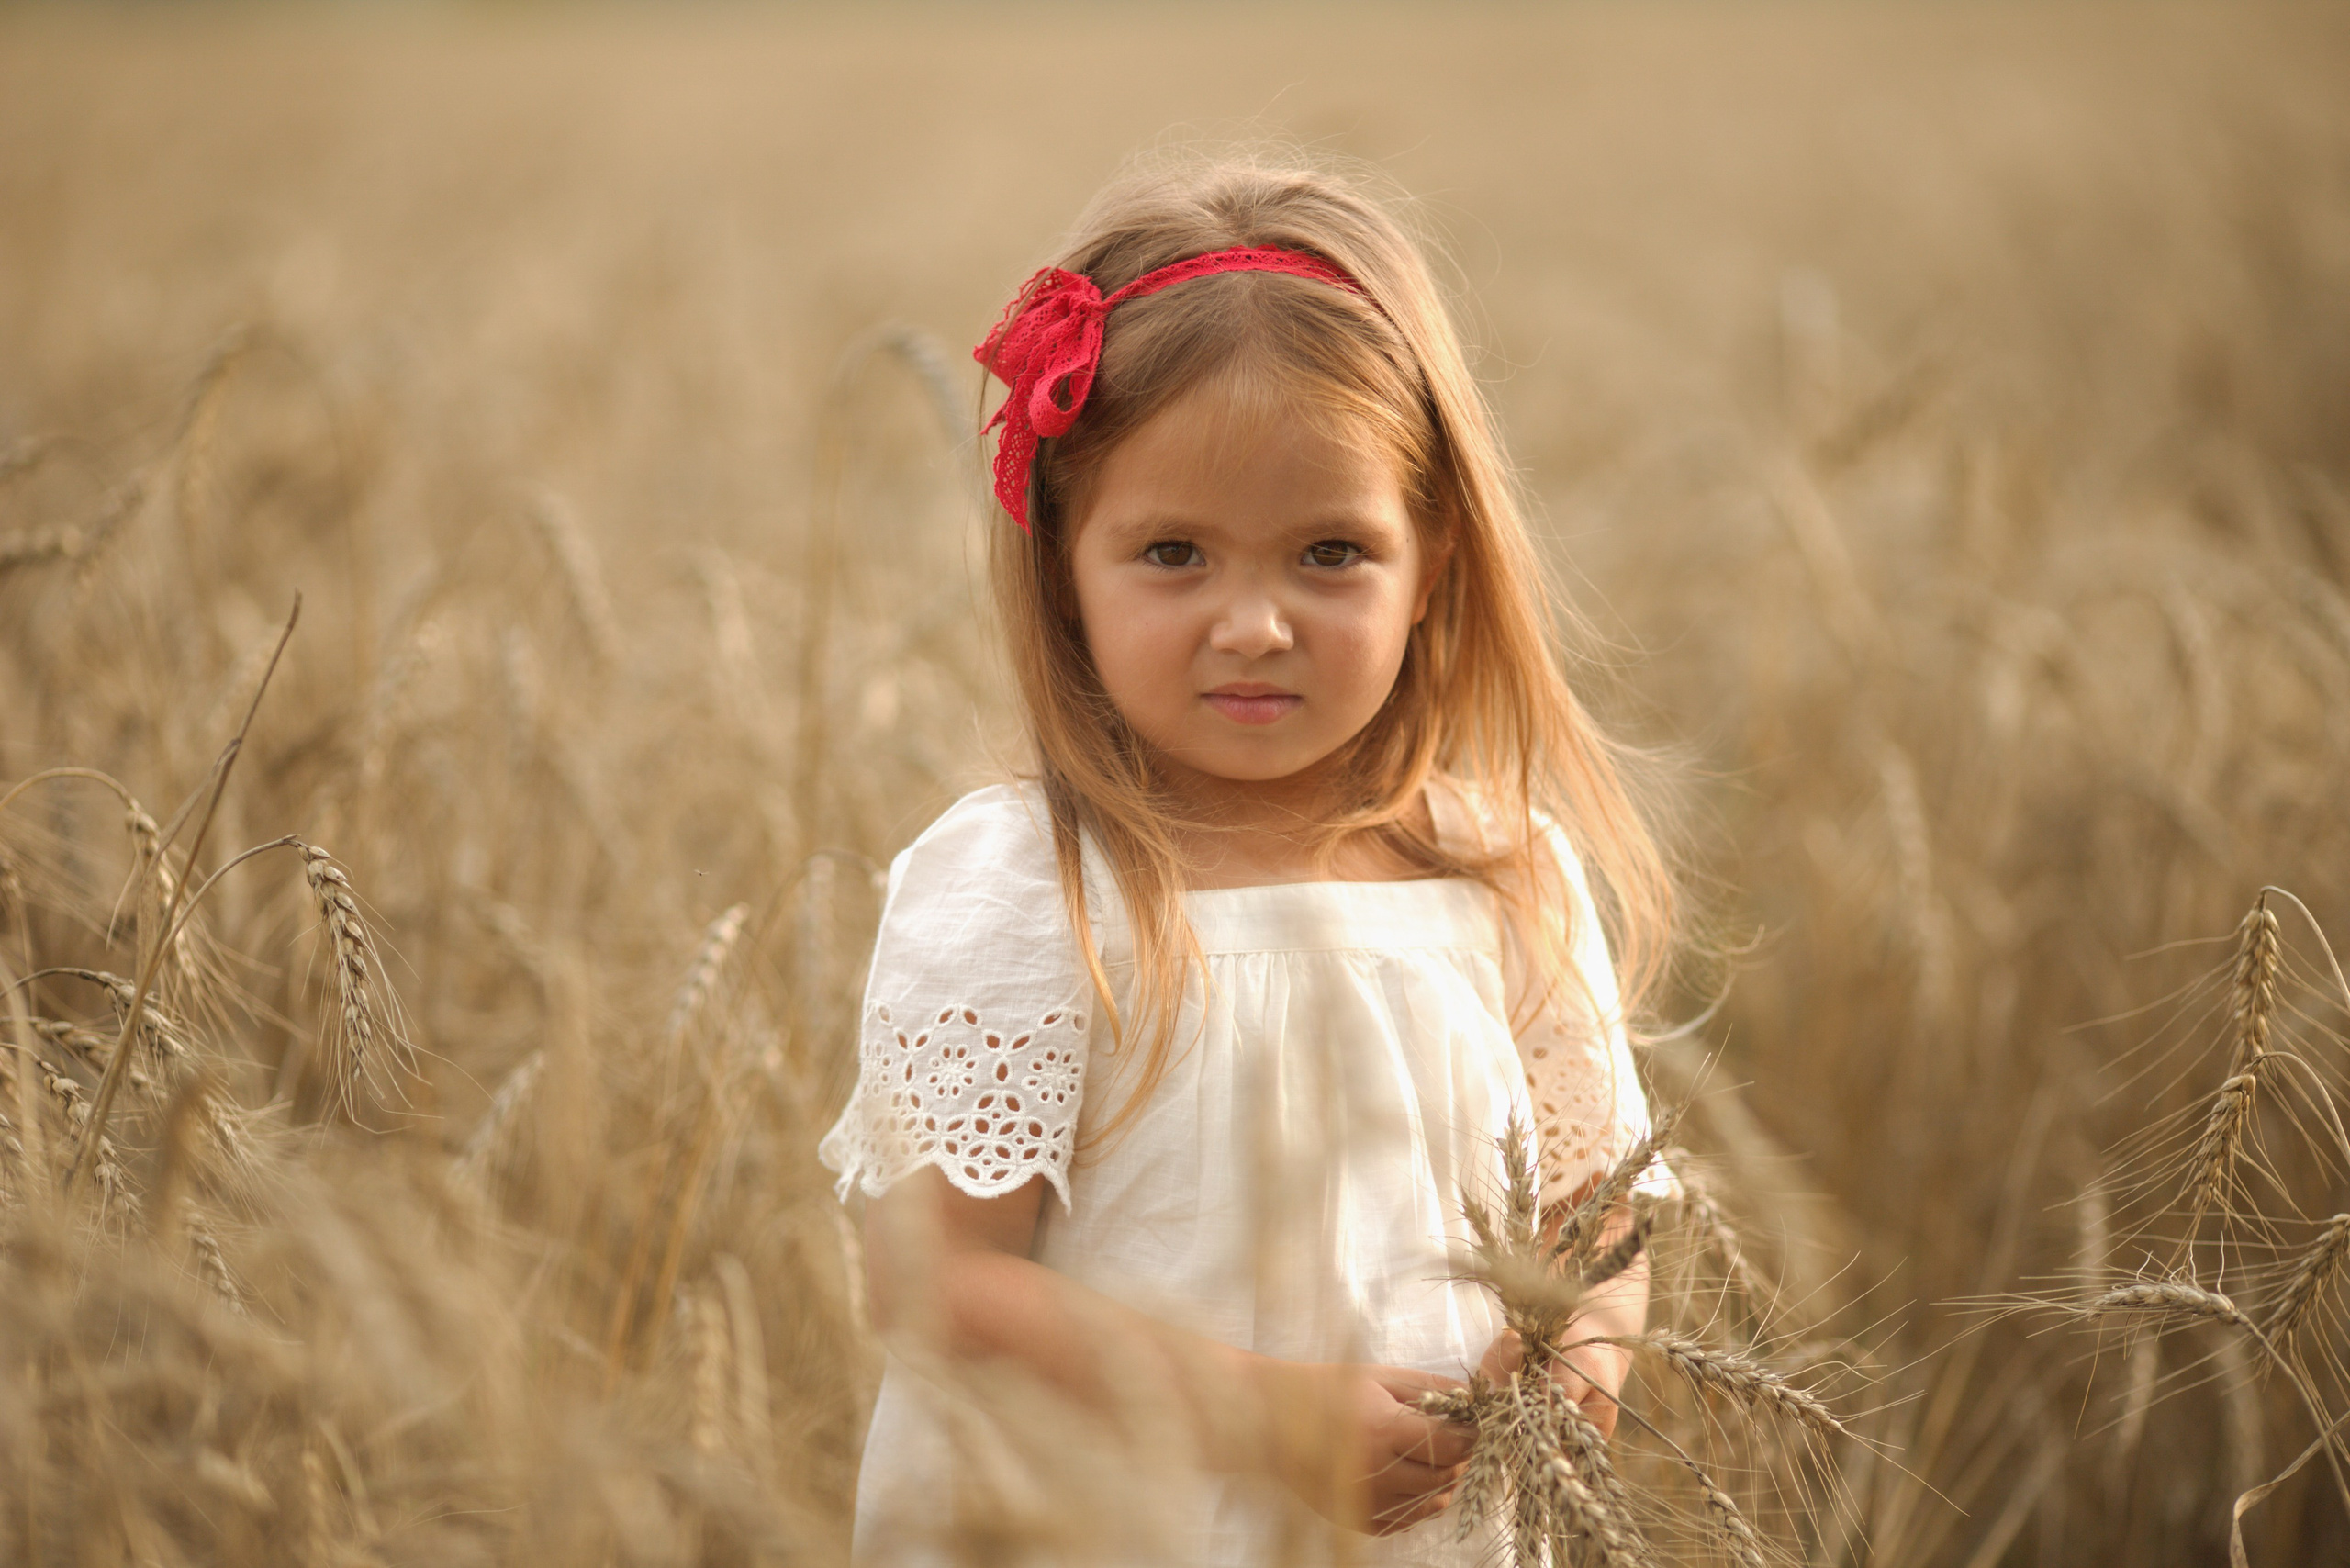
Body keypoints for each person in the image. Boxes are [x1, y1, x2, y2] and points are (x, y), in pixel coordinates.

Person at [818, 151, 1676, 1566]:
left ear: (1433, 558)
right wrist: (1261, 1418)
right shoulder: (1027, 888)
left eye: (1330, 553)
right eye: (1174, 554)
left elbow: (1597, 1217)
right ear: (1064, 566)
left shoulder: (1506, 876)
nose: (1256, 625)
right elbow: (936, 1283)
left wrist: (1577, 1363)